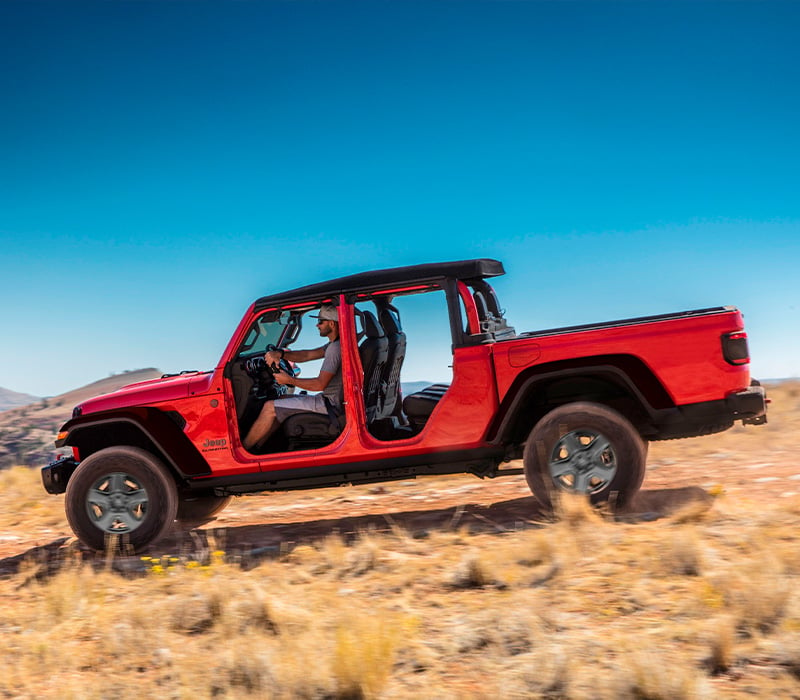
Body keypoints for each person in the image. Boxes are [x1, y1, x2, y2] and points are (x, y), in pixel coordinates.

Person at [242, 304, 343, 451]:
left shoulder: (335, 350)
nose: (317, 325)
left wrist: (289, 380)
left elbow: (319, 385)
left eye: (321, 321)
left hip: (329, 405)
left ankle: (245, 451)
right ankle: (260, 448)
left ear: (332, 323)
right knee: (280, 401)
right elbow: (307, 355)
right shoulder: (334, 345)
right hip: (330, 401)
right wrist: (281, 354)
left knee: (269, 407)